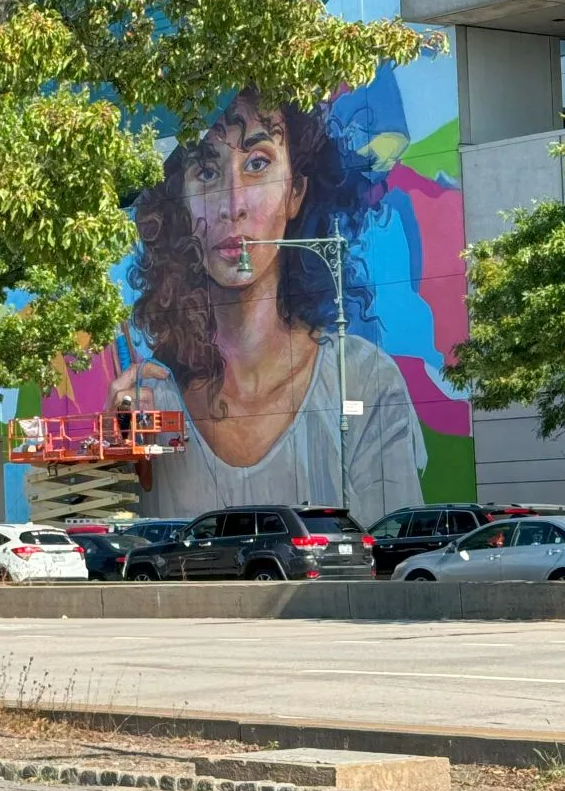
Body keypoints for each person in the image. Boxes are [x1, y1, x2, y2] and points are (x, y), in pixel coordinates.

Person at [109, 87, 425, 521]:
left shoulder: (365, 382)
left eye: (257, 164)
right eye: (205, 171)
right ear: (178, 201)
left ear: (295, 191)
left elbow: (396, 551)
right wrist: (114, 446)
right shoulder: (151, 398)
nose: (233, 205)